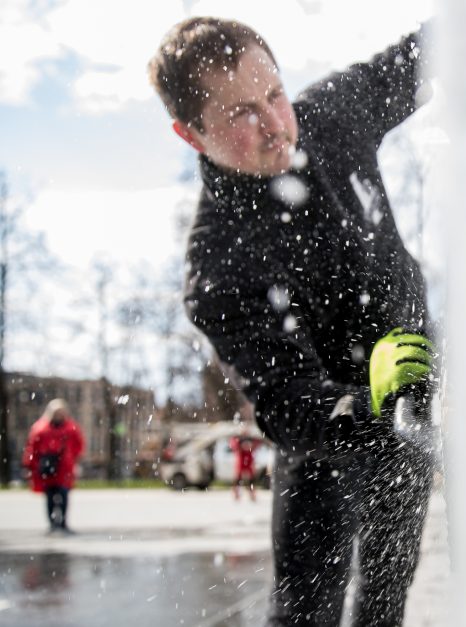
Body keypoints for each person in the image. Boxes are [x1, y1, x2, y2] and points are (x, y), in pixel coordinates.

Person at [149, 17, 437, 626]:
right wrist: (361, 408)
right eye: (241, 113)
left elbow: (426, 55)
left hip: (411, 401)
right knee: (306, 613)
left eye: (275, 95)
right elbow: (284, 401)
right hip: (325, 444)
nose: (275, 124)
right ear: (190, 134)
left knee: (386, 603)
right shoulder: (218, 263)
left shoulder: (330, 117)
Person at [22, 399, 85, 534]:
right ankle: (52, 524)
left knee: (64, 495)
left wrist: (74, 459)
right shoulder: (41, 428)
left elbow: (79, 446)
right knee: (50, 497)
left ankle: (62, 523)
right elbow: (32, 448)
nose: (59, 415)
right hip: (47, 467)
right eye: (57, 412)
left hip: (64, 468)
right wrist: (29, 465)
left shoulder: (71, 428)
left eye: (61, 412)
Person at [230, 427, 258, 502]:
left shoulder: (250, 439)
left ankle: (252, 494)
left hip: (248, 460)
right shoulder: (238, 440)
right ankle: (236, 494)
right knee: (238, 479)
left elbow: (255, 446)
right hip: (241, 460)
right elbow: (234, 445)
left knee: (251, 480)